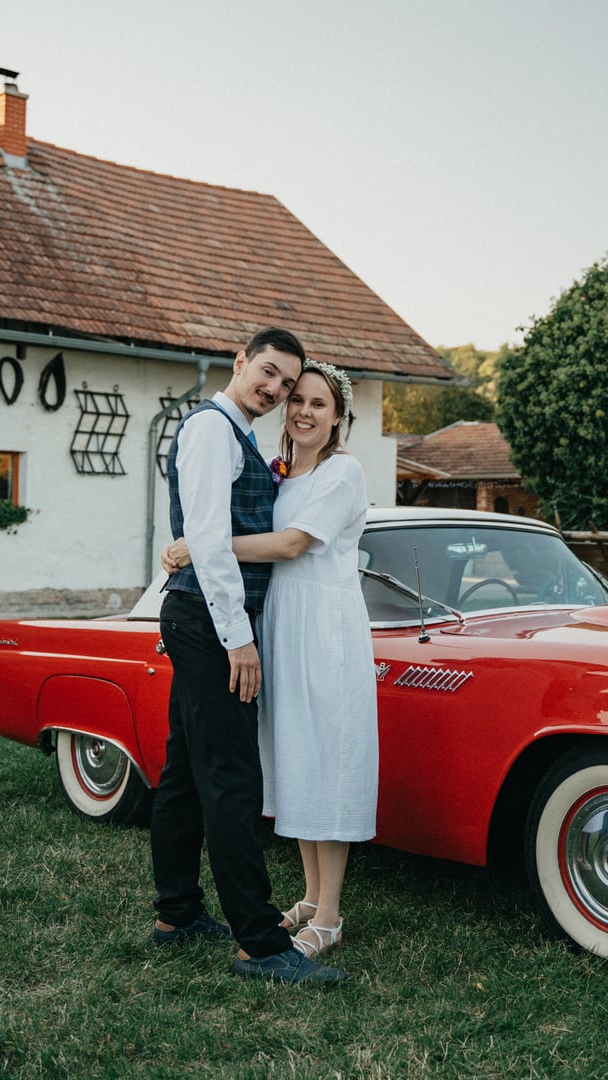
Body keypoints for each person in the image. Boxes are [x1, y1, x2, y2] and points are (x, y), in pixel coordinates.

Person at [149, 326, 346, 985]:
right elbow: (208, 540)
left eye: (287, 383)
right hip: (211, 622)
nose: (275, 389)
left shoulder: (237, 433)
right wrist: (238, 639)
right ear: (240, 362)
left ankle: (177, 913)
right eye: (268, 372)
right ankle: (261, 944)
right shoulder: (213, 430)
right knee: (232, 779)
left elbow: (208, 537)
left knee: (185, 770)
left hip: (198, 615)